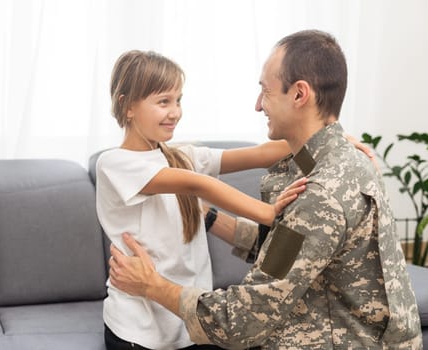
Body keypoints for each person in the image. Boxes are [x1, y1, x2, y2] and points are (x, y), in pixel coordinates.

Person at [108, 30, 423, 349]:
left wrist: (152, 286)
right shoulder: (337, 163)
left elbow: (242, 320)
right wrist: (209, 217)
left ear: (299, 94)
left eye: (266, 91)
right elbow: (293, 248)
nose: (259, 105)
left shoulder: (323, 190)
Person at [96, 50, 308, 350]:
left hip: (189, 329)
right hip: (139, 334)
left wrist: (329, 140)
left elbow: (261, 153)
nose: (175, 112)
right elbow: (197, 184)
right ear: (128, 107)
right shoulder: (115, 163)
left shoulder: (181, 156)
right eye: (163, 101)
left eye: (178, 100)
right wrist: (269, 213)